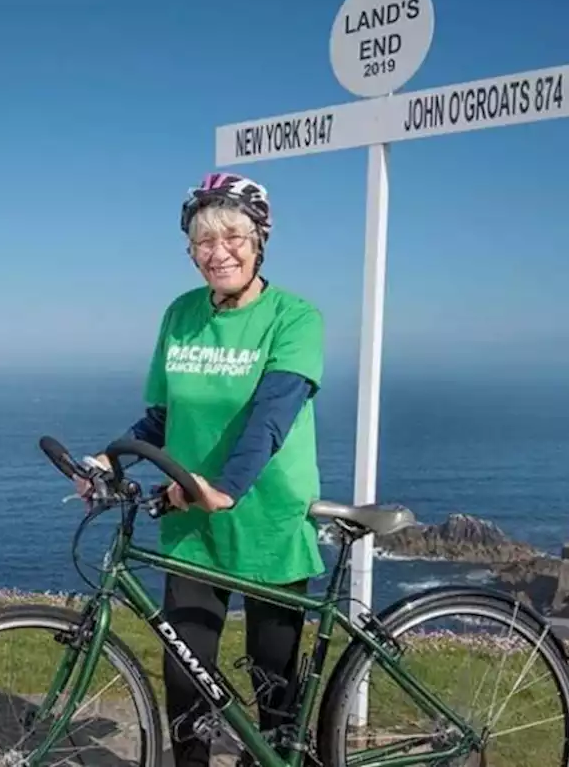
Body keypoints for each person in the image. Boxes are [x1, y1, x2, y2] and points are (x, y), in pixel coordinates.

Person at [74, 172, 326, 766]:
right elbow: (164, 416)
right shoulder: (180, 315)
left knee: (274, 690)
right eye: (203, 242)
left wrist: (226, 488)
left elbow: (272, 416)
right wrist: (111, 455)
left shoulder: (295, 318)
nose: (219, 253)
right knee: (187, 684)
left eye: (233, 236)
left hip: (264, 520)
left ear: (260, 239)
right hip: (190, 523)